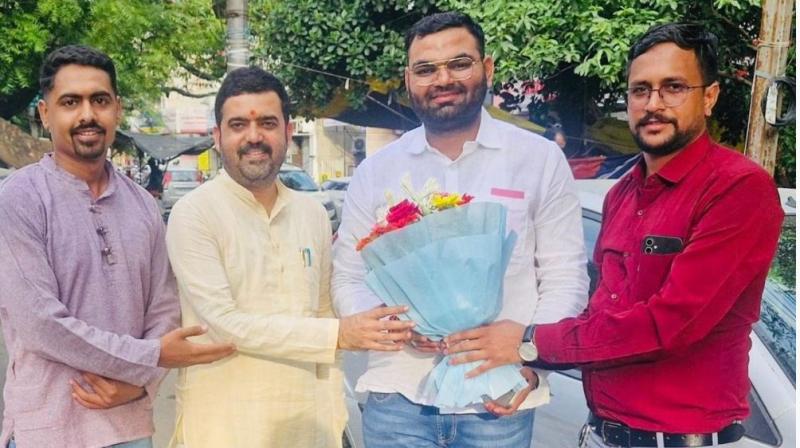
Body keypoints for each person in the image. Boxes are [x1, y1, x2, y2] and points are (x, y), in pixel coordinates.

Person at [447, 23, 784, 448]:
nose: (653, 104)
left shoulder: (737, 188)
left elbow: (670, 325)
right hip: (600, 433)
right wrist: (532, 366)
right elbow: (601, 314)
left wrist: (529, 341)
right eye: (640, 90)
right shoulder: (622, 194)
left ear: (709, 97)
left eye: (673, 87)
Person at [332, 12, 588, 448]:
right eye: (426, 69)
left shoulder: (538, 159)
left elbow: (565, 275)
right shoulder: (377, 171)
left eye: (459, 64)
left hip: (498, 401)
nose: (443, 79)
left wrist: (530, 359)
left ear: (487, 68)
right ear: (408, 80)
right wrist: (395, 325)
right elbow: (349, 277)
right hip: (398, 398)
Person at [165, 67, 414, 448]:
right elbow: (224, 325)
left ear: (287, 130)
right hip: (225, 427)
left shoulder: (311, 213)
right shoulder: (194, 213)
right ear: (217, 137)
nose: (253, 137)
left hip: (307, 426)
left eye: (267, 123)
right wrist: (339, 334)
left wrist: (332, 415)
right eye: (237, 125)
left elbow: (324, 311)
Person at [0, 45, 236, 448]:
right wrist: (149, 358)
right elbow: (41, 325)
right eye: (70, 102)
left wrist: (140, 384)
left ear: (117, 110)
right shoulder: (20, 199)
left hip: (129, 427)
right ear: (45, 113)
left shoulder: (142, 205)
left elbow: (163, 308)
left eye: (100, 100)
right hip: (49, 428)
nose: (87, 115)